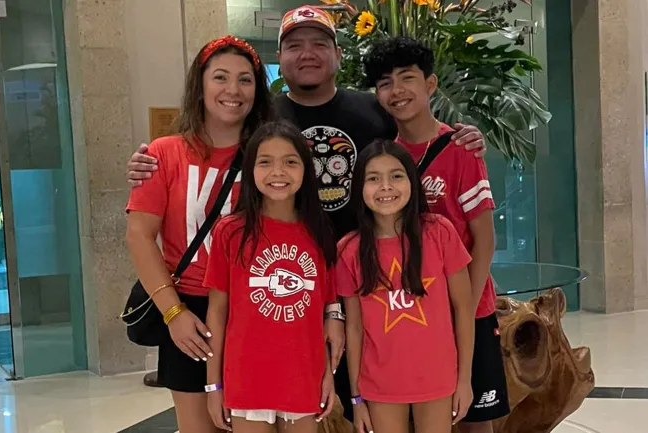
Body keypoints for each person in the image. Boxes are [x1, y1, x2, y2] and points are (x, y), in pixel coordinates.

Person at [125, 6, 488, 420]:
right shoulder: (264, 120)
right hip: (256, 298)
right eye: (294, 45)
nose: (307, 53)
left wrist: (461, 138)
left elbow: (414, 131)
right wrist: (144, 163)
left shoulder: (373, 111)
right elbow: (148, 221)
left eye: (319, 43)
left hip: (356, 289)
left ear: (337, 53)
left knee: (354, 410)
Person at [125, 35, 273, 433]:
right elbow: (140, 235)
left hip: (257, 307)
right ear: (200, 84)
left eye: (245, 80)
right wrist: (173, 313)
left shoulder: (271, 156)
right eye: (220, 77)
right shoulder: (164, 153)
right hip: (189, 310)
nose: (232, 90)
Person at [362, 36, 509, 433]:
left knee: (474, 419)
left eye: (407, 78)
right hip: (409, 315)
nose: (397, 91)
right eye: (386, 83)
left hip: (467, 310)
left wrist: (464, 309)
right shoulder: (385, 158)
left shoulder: (460, 148)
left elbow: (484, 238)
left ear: (430, 84)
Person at [203, 121, 337, 433]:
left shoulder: (319, 233)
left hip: (304, 376)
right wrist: (213, 385)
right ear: (250, 170)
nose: (278, 172)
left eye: (290, 162)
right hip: (247, 377)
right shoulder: (230, 232)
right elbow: (217, 312)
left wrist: (328, 372)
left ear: (306, 170)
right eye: (265, 162)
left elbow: (322, 315)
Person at [337, 140, 475, 433]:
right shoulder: (349, 250)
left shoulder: (439, 233)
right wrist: (356, 397)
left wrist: (464, 380)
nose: (386, 186)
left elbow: (463, 309)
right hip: (380, 384)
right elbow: (354, 328)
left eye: (396, 176)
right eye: (373, 178)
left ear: (412, 182)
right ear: (359, 188)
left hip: (438, 378)